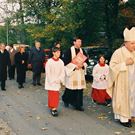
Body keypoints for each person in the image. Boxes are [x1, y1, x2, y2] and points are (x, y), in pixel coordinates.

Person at [107, 27, 135, 128]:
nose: (134, 45)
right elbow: (112, 67)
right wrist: (125, 63)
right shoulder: (118, 52)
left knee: (132, 98)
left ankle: (131, 115)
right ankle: (123, 119)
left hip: (132, 81)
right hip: (122, 81)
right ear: (126, 43)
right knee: (123, 99)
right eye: (132, 43)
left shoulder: (134, 52)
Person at [62, 37, 87, 111]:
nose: (80, 43)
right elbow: (65, 62)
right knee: (70, 89)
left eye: (80, 42)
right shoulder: (69, 51)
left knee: (79, 89)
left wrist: (83, 65)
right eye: (78, 42)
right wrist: (75, 66)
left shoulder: (82, 51)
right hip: (72, 72)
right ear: (74, 42)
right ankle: (66, 99)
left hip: (80, 73)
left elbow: (86, 60)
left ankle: (78, 105)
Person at [45, 47, 65, 116]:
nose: (59, 53)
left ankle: (54, 107)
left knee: (56, 95)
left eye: (59, 52)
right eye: (57, 52)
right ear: (53, 53)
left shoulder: (61, 62)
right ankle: (53, 108)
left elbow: (63, 72)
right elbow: (48, 72)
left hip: (57, 81)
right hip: (51, 81)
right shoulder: (49, 61)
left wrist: (59, 79)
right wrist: (52, 80)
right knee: (52, 95)